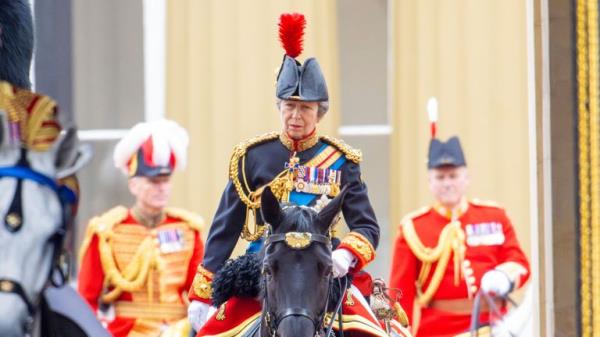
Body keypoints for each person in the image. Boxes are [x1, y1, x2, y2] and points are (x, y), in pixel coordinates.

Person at [187, 13, 408, 337]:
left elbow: (367, 226)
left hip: (323, 267)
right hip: (266, 266)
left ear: (319, 111)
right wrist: (201, 295)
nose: (295, 115)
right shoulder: (253, 157)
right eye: (289, 106)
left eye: (305, 108)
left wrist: (345, 255)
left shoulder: (342, 161)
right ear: (279, 107)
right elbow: (225, 227)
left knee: (380, 331)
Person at [389, 132, 530, 336]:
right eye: (440, 177)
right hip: (440, 330)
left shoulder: (494, 216)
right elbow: (400, 294)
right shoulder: (413, 228)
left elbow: (520, 263)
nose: (447, 183)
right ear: (430, 181)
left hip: (496, 326)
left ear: (466, 178)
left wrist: (504, 277)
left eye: (453, 176)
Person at [78, 120, 205, 337]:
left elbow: (200, 292)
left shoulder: (187, 229)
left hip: (180, 331)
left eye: (166, 180)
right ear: (133, 185)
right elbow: (86, 299)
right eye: (153, 181)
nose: (162, 188)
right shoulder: (107, 231)